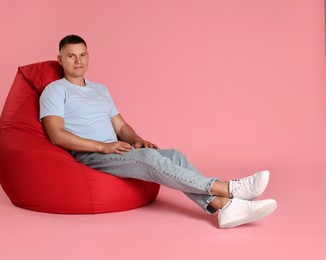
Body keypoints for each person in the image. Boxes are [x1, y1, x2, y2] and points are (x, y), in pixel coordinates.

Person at [39, 34, 277, 228]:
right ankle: (227, 188)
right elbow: (56, 134)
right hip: (91, 154)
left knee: (174, 155)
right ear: (60, 59)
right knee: (150, 159)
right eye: (71, 56)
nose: (78, 61)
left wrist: (138, 140)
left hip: (117, 150)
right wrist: (103, 146)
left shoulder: (100, 89)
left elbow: (120, 125)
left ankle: (224, 207)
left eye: (82, 55)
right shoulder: (55, 90)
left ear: (88, 57)